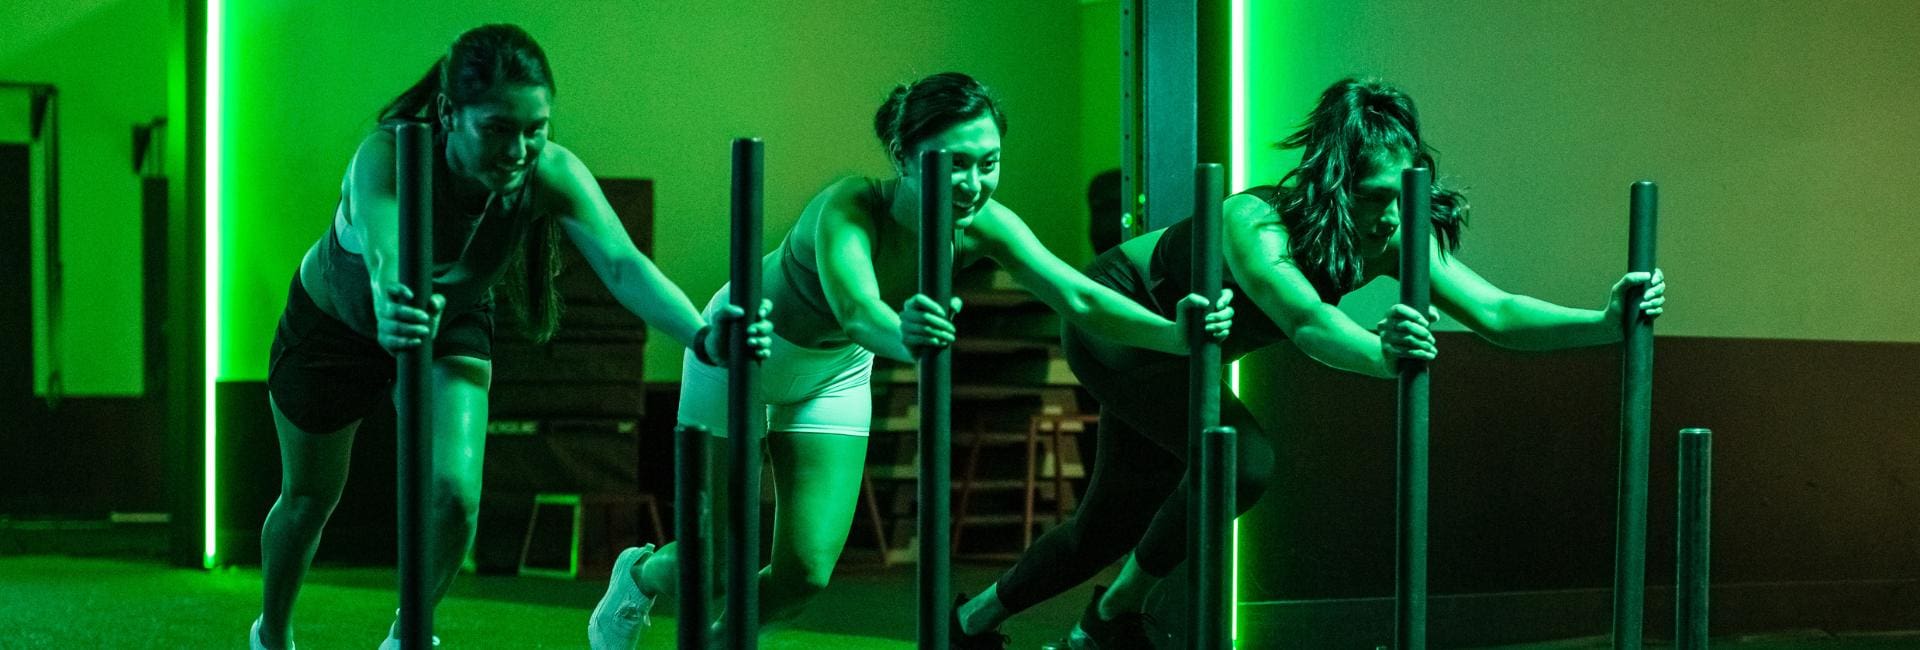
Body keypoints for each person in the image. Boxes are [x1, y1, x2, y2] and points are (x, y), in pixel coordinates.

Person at [949, 76, 1668, 649]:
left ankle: (968, 624)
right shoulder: (1255, 223)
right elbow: (1308, 322)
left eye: (1404, 194)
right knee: (1245, 461)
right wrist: (1382, 356)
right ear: (1335, 183)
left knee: (1105, 525)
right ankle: (1112, 615)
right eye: (1376, 197)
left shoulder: (1394, 233)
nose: (1392, 217)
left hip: (1192, 356)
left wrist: (1604, 321)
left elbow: (1498, 312)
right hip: (1126, 325)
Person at [586, 72, 1233, 649]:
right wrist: (909, 339)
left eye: (988, 162)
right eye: (951, 164)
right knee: (715, 564)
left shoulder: (984, 223)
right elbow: (857, 307)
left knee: (804, 573)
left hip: (833, 372)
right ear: (901, 156)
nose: (972, 184)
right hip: (741, 354)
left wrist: (1175, 333)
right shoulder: (847, 207)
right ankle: (639, 574)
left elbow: (1078, 294)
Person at [249, 24, 770, 650]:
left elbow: (623, 264)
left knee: (454, 497)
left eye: (536, 128)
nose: (519, 149)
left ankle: (407, 635)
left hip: (451, 322)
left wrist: (701, 334)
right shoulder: (385, 157)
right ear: (449, 113)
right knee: (308, 500)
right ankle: (271, 632)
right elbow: (389, 254)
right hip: (336, 327)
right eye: (498, 128)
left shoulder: (550, 172)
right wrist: (394, 300)